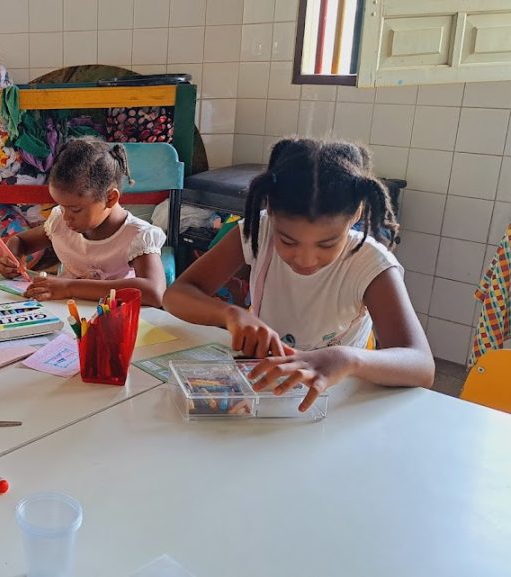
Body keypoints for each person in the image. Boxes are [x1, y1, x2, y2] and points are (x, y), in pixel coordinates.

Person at [162, 138, 434, 411]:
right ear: (271, 211)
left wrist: (347, 359)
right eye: (288, 241)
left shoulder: (371, 264)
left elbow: (421, 365)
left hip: (336, 402)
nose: (305, 259)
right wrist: (230, 314)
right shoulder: (258, 231)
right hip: (269, 391)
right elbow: (176, 296)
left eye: (326, 244)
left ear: (356, 215)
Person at [0, 140, 167, 307]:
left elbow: (154, 292)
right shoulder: (61, 223)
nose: (66, 217)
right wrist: (12, 259)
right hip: (65, 312)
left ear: (110, 198)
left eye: (75, 209)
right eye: (60, 206)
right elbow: (21, 241)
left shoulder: (136, 236)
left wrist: (69, 287)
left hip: (111, 317)